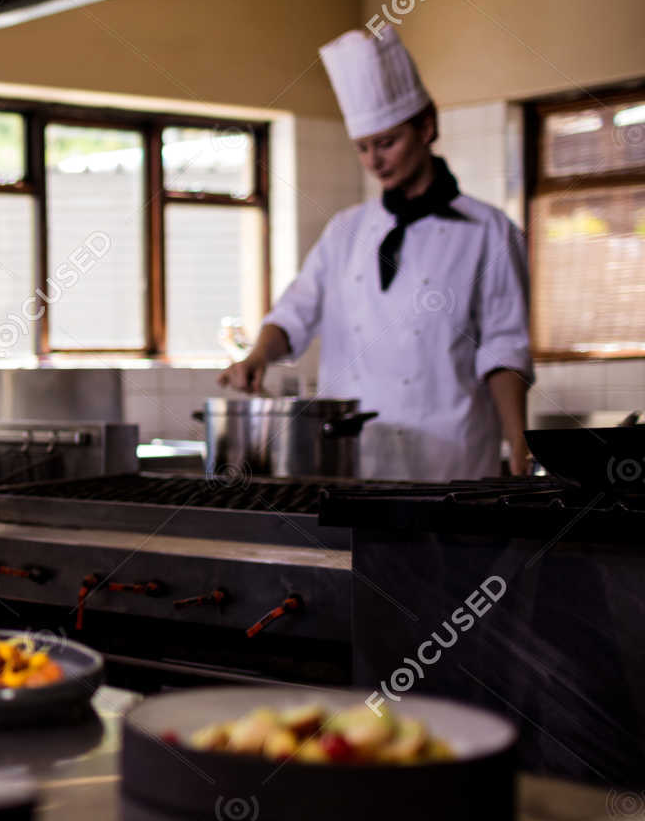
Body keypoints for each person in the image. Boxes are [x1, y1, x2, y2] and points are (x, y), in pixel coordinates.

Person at [219, 28, 532, 482]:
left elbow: (504, 351)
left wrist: (519, 445)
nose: (374, 161)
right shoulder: (345, 231)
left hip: (450, 464)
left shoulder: (491, 232)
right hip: (352, 463)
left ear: (426, 127)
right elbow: (294, 312)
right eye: (362, 148)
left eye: (386, 143)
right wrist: (258, 356)